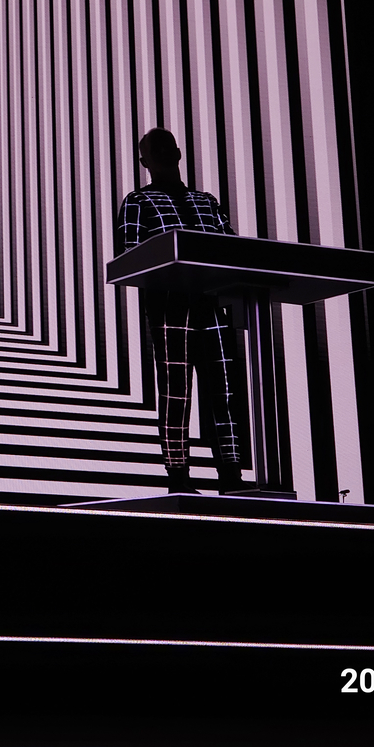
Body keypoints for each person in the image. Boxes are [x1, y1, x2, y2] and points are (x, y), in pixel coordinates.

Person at [116, 128, 247, 494]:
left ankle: (231, 475)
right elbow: (130, 255)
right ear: (144, 161)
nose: (161, 154)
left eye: (165, 147)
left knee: (224, 390)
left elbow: (232, 247)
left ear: (177, 153)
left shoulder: (206, 200)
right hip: (169, 306)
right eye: (153, 149)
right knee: (176, 392)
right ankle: (178, 477)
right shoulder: (138, 201)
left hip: (211, 303)